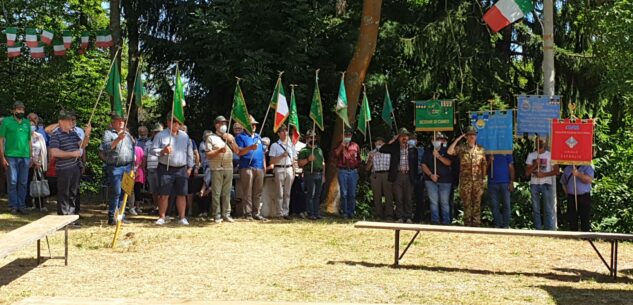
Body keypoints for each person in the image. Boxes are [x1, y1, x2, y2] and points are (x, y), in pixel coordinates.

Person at [150, 113, 195, 225]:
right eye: (173, 121)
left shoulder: (185, 136)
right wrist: (163, 151)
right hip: (165, 168)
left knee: (182, 194)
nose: (176, 124)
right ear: (168, 122)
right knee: (164, 194)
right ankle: (162, 217)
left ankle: (182, 217)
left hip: (181, 168)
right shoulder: (160, 135)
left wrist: (190, 167)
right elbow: (152, 150)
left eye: (177, 122)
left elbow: (189, 152)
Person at [49, 110, 91, 223]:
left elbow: (82, 145)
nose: (71, 122)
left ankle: (71, 216)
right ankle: (63, 218)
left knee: (73, 192)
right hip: (63, 168)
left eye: (72, 120)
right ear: (61, 122)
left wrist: (86, 135)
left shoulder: (73, 133)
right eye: (69, 120)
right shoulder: (55, 134)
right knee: (64, 193)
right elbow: (54, 152)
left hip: (75, 167)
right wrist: (72, 154)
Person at [100, 112, 136, 225]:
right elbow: (105, 148)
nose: (121, 122)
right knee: (115, 192)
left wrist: (133, 167)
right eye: (118, 120)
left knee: (124, 192)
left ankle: (121, 216)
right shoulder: (108, 133)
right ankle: (112, 217)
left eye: (123, 120)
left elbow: (132, 150)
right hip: (115, 167)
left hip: (128, 166)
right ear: (113, 122)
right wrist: (118, 139)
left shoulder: (128, 135)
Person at [448, 126, 487, 227]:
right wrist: (458, 139)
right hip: (465, 182)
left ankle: (476, 224)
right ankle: (467, 224)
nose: (471, 137)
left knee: (477, 203)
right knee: (467, 204)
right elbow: (449, 151)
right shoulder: (462, 148)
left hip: (478, 181)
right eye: (469, 135)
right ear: (466, 136)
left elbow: (484, 165)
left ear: (476, 136)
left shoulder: (481, 149)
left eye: (473, 135)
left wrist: (484, 179)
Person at [379, 128, 419, 223]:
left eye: (405, 136)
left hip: (409, 175)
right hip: (397, 176)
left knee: (408, 197)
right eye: (401, 136)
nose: (404, 138)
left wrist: (415, 177)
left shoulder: (413, 149)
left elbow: (415, 165)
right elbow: (382, 149)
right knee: (398, 197)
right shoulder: (394, 148)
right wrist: (393, 139)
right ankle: (400, 217)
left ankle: (408, 217)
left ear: (408, 137)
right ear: (399, 138)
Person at [0, 101, 32, 214]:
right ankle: (13, 205)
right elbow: (1, 140)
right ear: (13, 110)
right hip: (11, 156)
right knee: (12, 181)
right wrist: (2, 157)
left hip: (25, 156)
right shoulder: (6, 122)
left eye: (22, 110)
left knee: (23, 182)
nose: (20, 112)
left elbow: (29, 141)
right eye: (18, 109)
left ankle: (21, 206)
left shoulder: (27, 123)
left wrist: (31, 156)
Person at [206, 116, 239, 223]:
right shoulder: (211, 138)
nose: (224, 125)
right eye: (222, 123)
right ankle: (216, 215)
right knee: (216, 193)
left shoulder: (230, 136)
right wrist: (219, 151)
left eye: (225, 123)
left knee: (227, 192)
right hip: (216, 168)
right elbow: (208, 155)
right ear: (217, 125)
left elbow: (237, 151)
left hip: (229, 168)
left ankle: (226, 214)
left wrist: (231, 141)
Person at [235, 116, 267, 221]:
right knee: (247, 191)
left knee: (258, 192)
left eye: (254, 125)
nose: (253, 126)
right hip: (246, 167)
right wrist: (250, 148)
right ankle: (248, 214)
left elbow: (262, 152)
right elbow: (239, 152)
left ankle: (256, 212)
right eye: (251, 125)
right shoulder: (240, 137)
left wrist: (264, 165)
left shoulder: (258, 137)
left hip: (259, 167)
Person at [525, 137, 559, 230]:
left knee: (548, 208)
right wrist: (535, 164)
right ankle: (538, 229)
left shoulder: (550, 155)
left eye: (540, 143)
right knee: (536, 209)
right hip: (534, 184)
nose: (539, 145)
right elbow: (527, 173)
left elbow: (556, 171)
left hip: (546, 184)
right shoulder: (531, 155)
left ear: (543, 144)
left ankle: (549, 229)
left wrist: (544, 174)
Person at [421, 133, 453, 225]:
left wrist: (438, 156)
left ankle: (446, 222)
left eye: (438, 139)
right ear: (431, 141)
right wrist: (431, 175)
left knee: (444, 202)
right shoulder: (427, 151)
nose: (436, 141)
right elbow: (423, 164)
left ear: (442, 140)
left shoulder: (447, 151)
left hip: (445, 181)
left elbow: (449, 163)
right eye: (434, 139)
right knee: (433, 202)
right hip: (430, 180)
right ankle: (435, 221)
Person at [269, 124, 297, 219]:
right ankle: (279, 213)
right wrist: (281, 156)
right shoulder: (275, 145)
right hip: (279, 168)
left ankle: (286, 212)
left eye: (286, 131)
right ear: (278, 133)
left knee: (287, 193)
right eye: (282, 131)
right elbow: (271, 161)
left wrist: (294, 171)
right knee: (279, 193)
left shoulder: (291, 145)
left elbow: (293, 160)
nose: (285, 133)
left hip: (289, 169)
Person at [298, 129, 325, 220]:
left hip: (319, 174)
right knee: (311, 194)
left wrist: (324, 175)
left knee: (317, 194)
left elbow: (323, 163)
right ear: (307, 139)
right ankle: (310, 213)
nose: (312, 139)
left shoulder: (319, 150)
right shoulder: (304, 150)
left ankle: (317, 213)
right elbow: (300, 164)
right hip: (309, 173)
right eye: (310, 138)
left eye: (314, 137)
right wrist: (308, 160)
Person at [334, 128, 361, 219]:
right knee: (344, 193)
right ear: (343, 135)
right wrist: (341, 146)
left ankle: (351, 212)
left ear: (351, 136)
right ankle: (344, 212)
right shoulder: (339, 145)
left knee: (352, 193)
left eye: (349, 135)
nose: (347, 136)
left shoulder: (355, 146)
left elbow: (359, 159)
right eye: (346, 134)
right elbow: (335, 155)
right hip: (343, 171)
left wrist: (357, 168)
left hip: (353, 171)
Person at [365, 137, 393, 221]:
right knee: (377, 196)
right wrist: (370, 159)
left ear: (384, 144)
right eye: (377, 143)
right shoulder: (371, 153)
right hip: (375, 175)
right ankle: (378, 215)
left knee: (389, 196)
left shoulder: (389, 152)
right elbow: (367, 168)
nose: (378, 145)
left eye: (380, 143)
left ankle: (389, 216)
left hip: (387, 174)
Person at [560, 165, 594, 232]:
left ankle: (585, 236)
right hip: (571, 196)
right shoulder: (567, 168)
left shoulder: (587, 167)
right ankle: (573, 235)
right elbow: (563, 182)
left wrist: (578, 174)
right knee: (572, 216)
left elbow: (589, 180)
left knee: (585, 216)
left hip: (584, 196)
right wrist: (568, 193)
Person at [487, 154, 515, 228]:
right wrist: (489, 160)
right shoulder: (489, 153)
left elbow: (511, 168)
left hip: (505, 183)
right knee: (494, 205)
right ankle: (498, 225)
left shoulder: (507, 153)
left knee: (506, 205)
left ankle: (505, 225)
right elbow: (484, 170)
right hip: (492, 183)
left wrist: (511, 182)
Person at [27, 118, 48, 211]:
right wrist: (32, 160)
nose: (32, 126)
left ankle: (40, 205)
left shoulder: (40, 136)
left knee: (40, 183)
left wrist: (39, 161)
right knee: (28, 183)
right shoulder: (25, 136)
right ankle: (28, 204)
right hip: (28, 163)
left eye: (33, 124)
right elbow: (26, 149)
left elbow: (43, 149)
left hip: (39, 163)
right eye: (30, 125)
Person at [145, 123, 163, 212]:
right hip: (150, 168)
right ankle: (156, 207)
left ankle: (162, 208)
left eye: (159, 132)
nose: (157, 134)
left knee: (161, 189)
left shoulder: (164, 142)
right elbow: (145, 156)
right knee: (153, 190)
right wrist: (145, 168)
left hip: (161, 167)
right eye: (156, 132)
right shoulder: (148, 143)